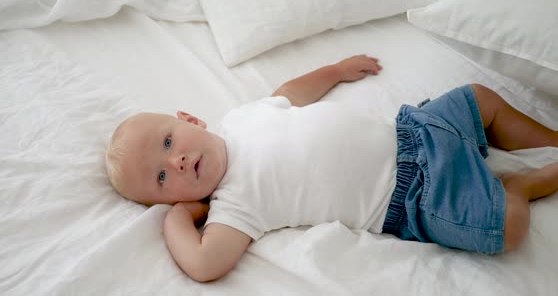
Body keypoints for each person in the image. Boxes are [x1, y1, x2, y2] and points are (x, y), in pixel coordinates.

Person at [104, 55, 558, 282]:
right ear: (171, 198)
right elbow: (204, 264)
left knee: (479, 98)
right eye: (161, 177)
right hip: (415, 199)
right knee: (507, 227)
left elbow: (290, 91)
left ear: (189, 120)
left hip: (413, 132)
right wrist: (180, 219)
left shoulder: (243, 117)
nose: (176, 160)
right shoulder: (234, 208)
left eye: (168, 142)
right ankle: (521, 185)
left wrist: (335, 71)